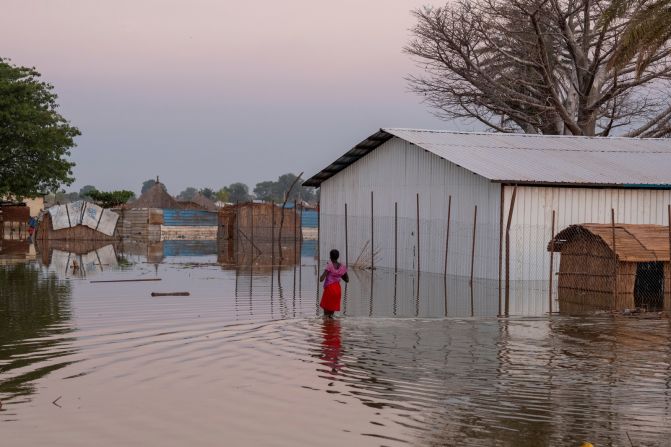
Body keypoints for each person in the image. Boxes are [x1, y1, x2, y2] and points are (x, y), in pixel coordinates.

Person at [319, 249, 349, 318]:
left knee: (326, 315)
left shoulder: (329, 265)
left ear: (330, 257)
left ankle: (327, 328)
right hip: (337, 290)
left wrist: (325, 271)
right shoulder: (342, 267)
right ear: (337, 257)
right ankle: (333, 328)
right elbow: (347, 280)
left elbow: (321, 279)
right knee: (331, 314)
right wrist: (338, 274)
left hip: (330, 289)